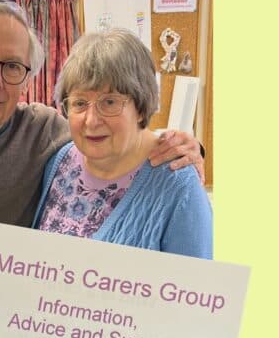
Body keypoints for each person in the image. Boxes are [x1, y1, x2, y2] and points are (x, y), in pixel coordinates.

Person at [0, 0, 204, 323]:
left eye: (12, 67)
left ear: (26, 80)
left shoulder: (42, 131)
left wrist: (186, 146)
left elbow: (116, 137)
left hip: (22, 332)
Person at [33, 30, 212, 258]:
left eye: (109, 102)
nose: (91, 120)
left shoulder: (180, 189)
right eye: (80, 103)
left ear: (141, 107)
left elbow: (195, 279)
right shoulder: (59, 162)